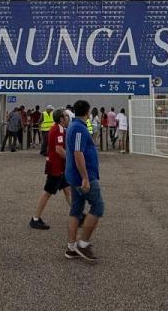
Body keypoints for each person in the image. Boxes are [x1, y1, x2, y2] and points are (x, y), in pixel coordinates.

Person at [65, 99, 102, 261]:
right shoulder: (79, 129)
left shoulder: (73, 126)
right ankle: (83, 244)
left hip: (74, 176)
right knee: (98, 206)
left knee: (76, 209)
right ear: (87, 112)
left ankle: (72, 247)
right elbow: (78, 153)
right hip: (82, 177)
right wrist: (85, 178)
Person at [30, 109, 71, 230]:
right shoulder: (58, 129)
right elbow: (59, 149)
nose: (68, 118)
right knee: (47, 192)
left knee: (67, 190)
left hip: (59, 167)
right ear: (61, 119)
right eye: (66, 116)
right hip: (55, 167)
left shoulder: (57, 128)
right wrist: (71, 160)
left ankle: (78, 215)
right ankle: (35, 219)